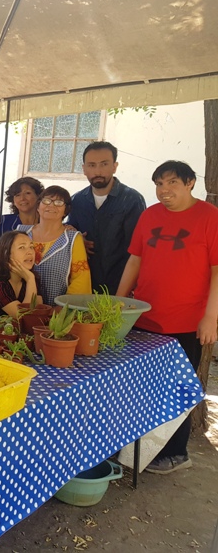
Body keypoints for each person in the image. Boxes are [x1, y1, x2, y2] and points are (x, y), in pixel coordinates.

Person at [116, 160, 218, 475]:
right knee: (139, 387)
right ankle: (136, 449)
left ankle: (176, 452)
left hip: (187, 322)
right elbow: (135, 259)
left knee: (176, 391)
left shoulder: (210, 217)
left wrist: (211, 318)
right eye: (160, 183)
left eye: (172, 182)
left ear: (190, 183)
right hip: (145, 317)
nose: (164, 190)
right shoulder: (150, 215)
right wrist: (118, 302)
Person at [67, 141, 146, 294]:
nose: (98, 171)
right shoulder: (77, 201)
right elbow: (68, 233)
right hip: (83, 286)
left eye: (104, 164)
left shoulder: (132, 200)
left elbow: (137, 250)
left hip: (120, 287)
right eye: (91, 165)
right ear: (84, 169)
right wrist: (76, 239)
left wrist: (125, 292)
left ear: (114, 166)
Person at [17, 186, 91, 304]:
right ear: (38, 206)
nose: (51, 205)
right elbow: (7, 268)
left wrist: (63, 309)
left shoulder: (72, 238)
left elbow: (80, 280)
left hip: (57, 313)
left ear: (66, 210)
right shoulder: (21, 233)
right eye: (46, 201)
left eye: (58, 202)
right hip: (18, 308)